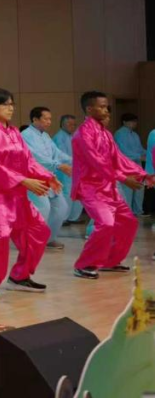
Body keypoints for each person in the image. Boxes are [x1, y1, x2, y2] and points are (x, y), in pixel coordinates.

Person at [0, 89, 57, 300]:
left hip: (18, 196)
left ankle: (20, 276)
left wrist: (48, 176)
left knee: (39, 231)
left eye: (11, 104)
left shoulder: (15, 132)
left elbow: (28, 161)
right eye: (5, 104)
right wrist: (23, 180)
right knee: (0, 237)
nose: (10, 108)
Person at [72, 92, 152, 279]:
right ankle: (84, 264)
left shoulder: (105, 133)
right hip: (90, 187)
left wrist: (143, 174)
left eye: (107, 106)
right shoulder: (83, 134)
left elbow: (119, 159)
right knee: (106, 223)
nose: (106, 110)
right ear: (89, 109)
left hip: (108, 187)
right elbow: (97, 162)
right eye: (101, 107)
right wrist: (123, 178)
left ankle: (110, 260)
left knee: (129, 222)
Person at [21, 107, 73, 251]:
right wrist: (58, 165)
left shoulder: (45, 136)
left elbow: (57, 153)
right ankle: (30, 241)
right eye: (46, 119)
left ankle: (48, 238)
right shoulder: (25, 135)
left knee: (61, 208)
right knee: (42, 209)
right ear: (35, 119)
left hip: (49, 177)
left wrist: (73, 160)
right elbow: (35, 157)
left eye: (50, 119)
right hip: (35, 178)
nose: (49, 122)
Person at [113, 113, 145, 216]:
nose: (134, 123)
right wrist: (139, 156)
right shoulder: (119, 134)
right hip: (126, 166)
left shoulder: (135, 135)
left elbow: (140, 149)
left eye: (135, 121)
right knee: (128, 190)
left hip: (137, 165)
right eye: (132, 121)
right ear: (124, 122)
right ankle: (127, 213)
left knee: (139, 189)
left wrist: (147, 154)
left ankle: (138, 211)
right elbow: (123, 151)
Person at [54, 115, 84, 223]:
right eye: (69, 124)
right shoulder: (59, 137)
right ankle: (64, 218)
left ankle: (73, 217)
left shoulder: (73, 136)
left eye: (74, 124)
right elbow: (61, 156)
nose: (72, 126)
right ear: (62, 124)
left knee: (77, 193)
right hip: (65, 171)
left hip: (76, 168)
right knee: (67, 193)